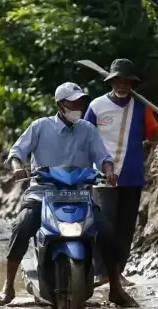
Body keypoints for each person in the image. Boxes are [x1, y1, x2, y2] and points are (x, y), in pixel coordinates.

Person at [0, 81, 138, 308]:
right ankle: (9, 285)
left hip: (80, 195)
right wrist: (16, 167)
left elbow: (103, 158)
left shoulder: (88, 130)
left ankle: (116, 289)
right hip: (43, 194)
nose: (78, 106)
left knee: (108, 232)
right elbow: (16, 152)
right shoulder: (40, 127)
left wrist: (109, 172)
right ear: (60, 105)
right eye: (73, 103)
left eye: (80, 102)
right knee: (22, 227)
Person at [83, 58, 158, 287]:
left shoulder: (141, 108)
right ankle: (101, 272)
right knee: (105, 225)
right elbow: (84, 137)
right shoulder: (96, 106)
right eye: (118, 81)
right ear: (111, 82)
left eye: (127, 82)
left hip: (132, 175)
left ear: (132, 84)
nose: (122, 86)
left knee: (125, 228)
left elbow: (153, 136)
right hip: (102, 176)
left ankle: (117, 273)